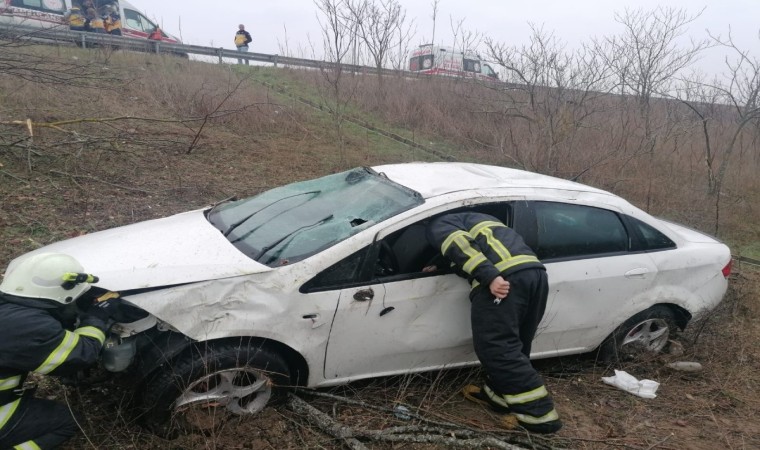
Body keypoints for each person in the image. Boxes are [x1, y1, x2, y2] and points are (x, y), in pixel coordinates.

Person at [425, 212, 562, 434]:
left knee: (497, 348)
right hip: (534, 274)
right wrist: (437, 263)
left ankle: (539, 418)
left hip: (504, 280)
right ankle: (497, 396)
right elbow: (481, 245)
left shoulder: (438, 222)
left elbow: (459, 244)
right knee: (516, 343)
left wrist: (489, 276)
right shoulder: (477, 217)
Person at [0, 252, 119, 449]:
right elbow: (83, 354)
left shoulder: (9, 311)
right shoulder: (29, 327)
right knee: (66, 422)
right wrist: (97, 316)